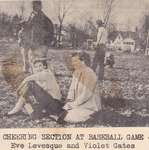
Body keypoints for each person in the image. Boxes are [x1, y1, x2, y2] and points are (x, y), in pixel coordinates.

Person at [62, 52, 102, 123]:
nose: (73, 63)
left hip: (90, 106)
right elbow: (72, 89)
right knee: (62, 112)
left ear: (83, 61)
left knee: (68, 117)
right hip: (78, 104)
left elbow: (86, 95)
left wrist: (73, 105)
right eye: (72, 61)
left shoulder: (90, 73)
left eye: (75, 61)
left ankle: (92, 117)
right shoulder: (76, 72)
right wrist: (69, 102)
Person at [20, 0, 54, 72]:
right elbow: (29, 27)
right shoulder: (33, 16)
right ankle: (40, 72)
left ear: (40, 6)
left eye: (35, 6)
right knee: (36, 58)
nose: (33, 7)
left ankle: (44, 72)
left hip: (42, 42)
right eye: (33, 6)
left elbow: (49, 31)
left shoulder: (42, 17)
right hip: (35, 42)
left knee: (40, 58)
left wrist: (46, 42)